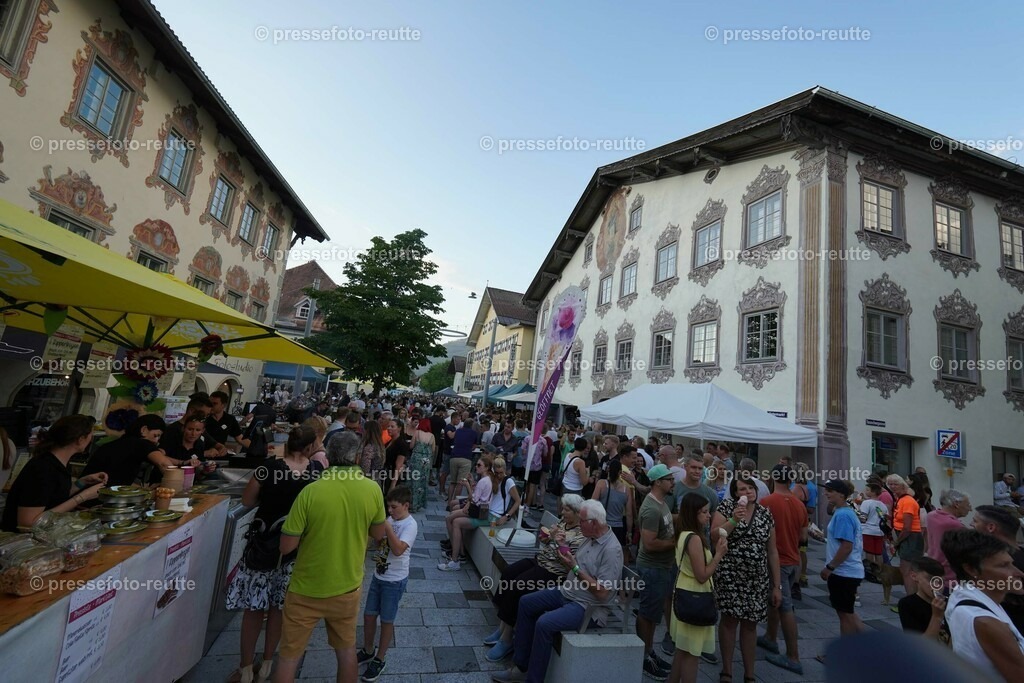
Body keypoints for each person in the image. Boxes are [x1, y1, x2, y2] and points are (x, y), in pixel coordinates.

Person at [274, 431, 386, 683]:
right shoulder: (372, 490)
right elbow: (379, 534)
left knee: (289, 656)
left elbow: (286, 546)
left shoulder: (310, 491)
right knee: (346, 651)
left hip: (306, 587)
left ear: (328, 456)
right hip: (347, 586)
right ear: (357, 456)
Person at [226, 425, 323, 683]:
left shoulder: (267, 468)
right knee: (279, 607)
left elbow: (247, 501)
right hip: (296, 549)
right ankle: (268, 663)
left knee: (253, 609)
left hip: (263, 543)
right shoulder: (316, 473)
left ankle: (246, 668)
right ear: (310, 447)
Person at [492, 500, 624, 683]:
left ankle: (533, 679)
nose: (579, 523)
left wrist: (575, 569)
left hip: (587, 607)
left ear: (594, 523)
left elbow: (603, 594)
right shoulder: (590, 535)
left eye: (583, 520)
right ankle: (520, 666)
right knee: (526, 602)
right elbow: (571, 560)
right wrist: (561, 544)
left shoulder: (611, 550)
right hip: (567, 592)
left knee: (544, 623)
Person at [484, 493, 585, 662]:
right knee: (509, 574)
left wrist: (558, 542)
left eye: (566, 510)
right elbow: (544, 540)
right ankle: (503, 626)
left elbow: (567, 560)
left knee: (518, 586)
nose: (562, 513)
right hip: (541, 560)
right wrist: (546, 536)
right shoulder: (563, 523)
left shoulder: (580, 534)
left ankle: (507, 638)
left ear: (576, 512)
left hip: (554, 572)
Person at [710, 474, 782, 683]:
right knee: (729, 622)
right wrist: (734, 519)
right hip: (730, 576)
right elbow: (715, 535)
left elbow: (772, 551)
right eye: (742, 489)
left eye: (750, 488)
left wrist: (776, 585)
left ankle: (750, 673)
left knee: (750, 625)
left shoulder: (765, 514)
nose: (748, 492)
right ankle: (727, 670)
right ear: (735, 493)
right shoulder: (726, 508)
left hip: (756, 579)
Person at [942, 528, 1024, 680]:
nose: (1019, 573)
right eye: (1003, 565)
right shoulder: (986, 623)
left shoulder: (961, 594)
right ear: (971, 569)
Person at [1, 415, 108, 532]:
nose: (91, 439)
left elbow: (53, 497)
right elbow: (27, 524)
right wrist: (83, 496)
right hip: (19, 543)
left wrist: (81, 483)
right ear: (80, 439)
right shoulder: (42, 468)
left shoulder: (58, 463)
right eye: (90, 435)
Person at [357, 486, 418, 682]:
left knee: (386, 620)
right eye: (388, 507)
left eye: (394, 507)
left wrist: (389, 529)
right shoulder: (391, 520)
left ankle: (380, 658)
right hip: (379, 576)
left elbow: (399, 549)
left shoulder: (410, 525)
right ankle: (368, 649)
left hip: (395, 580)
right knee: (368, 615)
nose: (390, 511)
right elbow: (379, 543)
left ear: (406, 506)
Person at [666, 493, 728, 683]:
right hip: (695, 597)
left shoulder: (684, 533)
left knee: (682, 649)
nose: (708, 516)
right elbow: (702, 575)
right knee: (692, 653)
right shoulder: (694, 538)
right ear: (693, 514)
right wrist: (718, 555)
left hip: (685, 594)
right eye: (704, 512)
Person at [756, 465, 807, 674]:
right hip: (794, 560)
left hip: (778, 561)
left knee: (785, 607)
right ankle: (770, 637)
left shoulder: (766, 502)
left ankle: (793, 656)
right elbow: (803, 537)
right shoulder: (799, 504)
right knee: (775, 600)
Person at [635, 464, 678, 680]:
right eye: (669, 479)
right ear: (658, 482)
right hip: (652, 568)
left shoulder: (662, 502)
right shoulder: (652, 508)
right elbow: (650, 544)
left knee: (652, 615)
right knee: (647, 614)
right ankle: (643, 657)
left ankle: (649, 651)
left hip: (660, 567)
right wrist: (676, 543)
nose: (673, 482)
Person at [819, 479, 865, 656]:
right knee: (847, 612)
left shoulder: (844, 515)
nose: (826, 493)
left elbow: (847, 546)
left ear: (841, 494)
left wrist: (830, 567)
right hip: (848, 571)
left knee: (845, 614)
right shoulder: (844, 512)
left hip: (844, 572)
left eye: (830, 491)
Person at [81, 414, 177, 486]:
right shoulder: (141, 443)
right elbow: (165, 464)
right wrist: (175, 485)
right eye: (156, 435)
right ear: (144, 430)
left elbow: (119, 480)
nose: (156, 441)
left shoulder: (118, 444)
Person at [438, 454, 496, 571]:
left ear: (486, 467)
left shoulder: (484, 481)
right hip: (480, 510)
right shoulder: (487, 479)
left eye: (479, 465)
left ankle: (455, 557)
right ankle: (458, 553)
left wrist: (467, 485)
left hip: (479, 512)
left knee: (453, 520)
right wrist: (472, 482)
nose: (476, 467)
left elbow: (473, 498)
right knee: (452, 518)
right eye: (477, 465)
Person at [971, 505, 1024, 634]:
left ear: (991, 527)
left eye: (975, 521)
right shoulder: (1017, 554)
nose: (971, 524)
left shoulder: (996, 561)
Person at [897, 557, 949, 642]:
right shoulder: (908, 604)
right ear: (914, 576)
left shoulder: (948, 602)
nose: (937, 586)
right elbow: (920, 645)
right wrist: (936, 617)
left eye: (940, 581)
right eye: (930, 579)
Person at [888, 474, 924, 595]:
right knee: (908, 570)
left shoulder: (907, 501)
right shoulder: (900, 499)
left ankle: (912, 599)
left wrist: (896, 542)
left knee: (907, 570)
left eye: (895, 484)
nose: (893, 487)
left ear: (903, 486)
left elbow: (907, 528)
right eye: (890, 484)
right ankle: (914, 597)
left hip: (910, 538)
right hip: (906, 537)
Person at [591, 460, 634, 560]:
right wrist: (629, 532)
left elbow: (592, 504)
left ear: (608, 470)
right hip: (618, 528)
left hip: (602, 525)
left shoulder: (602, 484)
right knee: (614, 557)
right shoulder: (626, 490)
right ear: (620, 473)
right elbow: (629, 514)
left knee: (598, 555)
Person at [926, 489, 971, 584]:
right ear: (957, 504)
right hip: (950, 576)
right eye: (968, 505)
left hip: (934, 569)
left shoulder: (931, 516)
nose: (970, 509)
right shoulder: (954, 525)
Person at [858, 483, 890, 575]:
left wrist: (857, 515)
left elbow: (863, 518)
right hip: (879, 531)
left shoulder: (866, 503)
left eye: (867, 490)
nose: (865, 491)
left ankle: (870, 570)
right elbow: (886, 517)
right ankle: (879, 570)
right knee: (878, 552)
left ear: (872, 492)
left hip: (868, 530)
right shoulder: (882, 505)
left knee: (869, 551)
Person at [408, 419, 435, 512]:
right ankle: (420, 503)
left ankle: (413, 503)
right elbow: (433, 449)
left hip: (416, 458)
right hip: (426, 460)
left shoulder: (417, 433)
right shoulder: (432, 436)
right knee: (423, 481)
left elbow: (411, 446)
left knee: (414, 480)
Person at [382, 421, 410, 495]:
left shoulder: (401, 444)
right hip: (385, 474)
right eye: (388, 426)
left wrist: (392, 485)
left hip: (391, 476)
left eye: (392, 426)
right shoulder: (390, 442)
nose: (389, 428)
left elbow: (399, 466)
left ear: (399, 429)